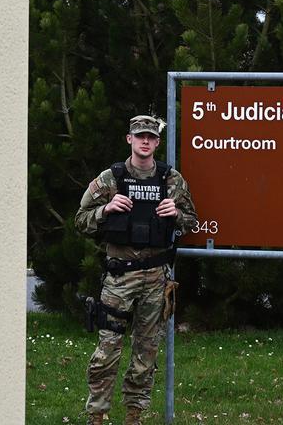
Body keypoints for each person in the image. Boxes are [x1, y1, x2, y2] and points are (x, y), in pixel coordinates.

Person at [75, 115, 197, 425]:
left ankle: (134, 416)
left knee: (146, 353)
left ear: (157, 142)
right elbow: (81, 221)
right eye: (139, 136)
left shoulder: (172, 180)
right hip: (119, 279)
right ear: (129, 139)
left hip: (155, 279)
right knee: (107, 351)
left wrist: (177, 214)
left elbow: (192, 220)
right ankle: (97, 416)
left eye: (151, 137)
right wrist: (106, 209)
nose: (145, 141)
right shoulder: (111, 179)